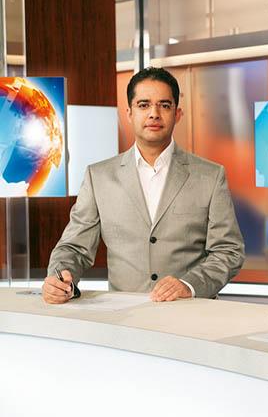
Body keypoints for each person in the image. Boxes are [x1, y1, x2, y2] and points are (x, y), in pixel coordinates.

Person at [43, 67, 245, 304]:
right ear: (129, 113)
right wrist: (59, 278)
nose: (154, 114)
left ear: (178, 114)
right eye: (144, 105)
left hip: (191, 313)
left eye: (164, 105)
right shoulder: (99, 177)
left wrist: (189, 285)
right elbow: (74, 248)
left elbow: (228, 251)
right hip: (123, 316)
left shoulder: (210, 176)